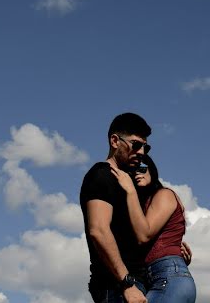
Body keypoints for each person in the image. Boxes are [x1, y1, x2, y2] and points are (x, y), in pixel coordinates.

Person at [80, 112, 153, 303]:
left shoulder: (128, 182)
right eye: (136, 145)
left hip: (135, 285)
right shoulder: (101, 175)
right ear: (115, 141)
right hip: (116, 287)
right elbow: (99, 231)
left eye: (146, 147)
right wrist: (127, 284)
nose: (141, 152)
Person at [111, 154, 196, 303]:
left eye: (142, 168)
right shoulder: (143, 206)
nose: (137, 173)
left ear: (152, 170)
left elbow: (144, 235)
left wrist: (130, 191)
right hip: (159, 278)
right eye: (132, 171)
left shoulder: (164, 194)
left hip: (169, 277)